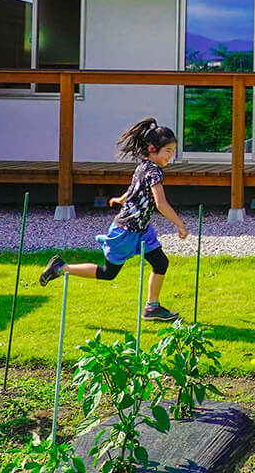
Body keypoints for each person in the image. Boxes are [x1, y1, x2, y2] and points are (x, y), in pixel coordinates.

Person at [39, 117, 190, 322]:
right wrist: (179, 224)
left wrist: (122, 198)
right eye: (168, 152)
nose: (170, 157)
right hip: (127, 231)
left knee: (161, 262)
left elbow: (135, 189)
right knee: (108, 272)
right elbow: (161, 203)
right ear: (153, 149)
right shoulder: (153, 171)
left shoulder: (145, 166)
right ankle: (61, 268)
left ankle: (152, 308)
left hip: (142, 230)